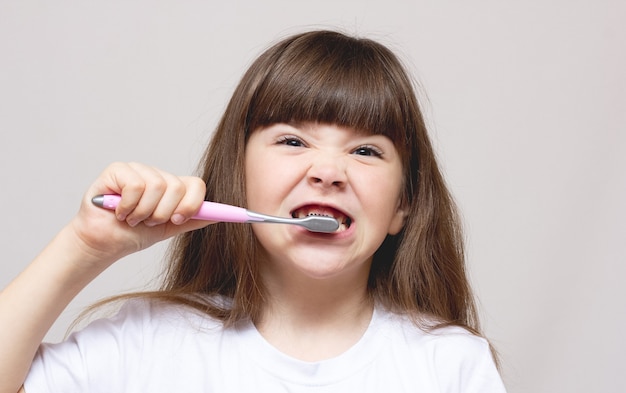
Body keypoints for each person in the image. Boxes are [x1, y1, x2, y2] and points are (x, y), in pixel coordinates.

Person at [0, 30, 506, 392]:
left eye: (366, 151)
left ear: (404, 206)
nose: (328, 171)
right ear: (236, 180)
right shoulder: (144, 343)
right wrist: (83, 247)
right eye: (292, 140)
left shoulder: (451, 366)